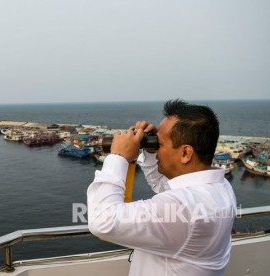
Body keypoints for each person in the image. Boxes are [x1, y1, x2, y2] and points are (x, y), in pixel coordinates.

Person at [87, 99, 237, 276]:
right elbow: (166, 188)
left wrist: (118, 157)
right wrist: (150, 154)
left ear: (185, 153)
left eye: (160, 144)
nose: (156, 148)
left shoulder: (183, 208)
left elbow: (102, 222)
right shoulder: (221, 188)